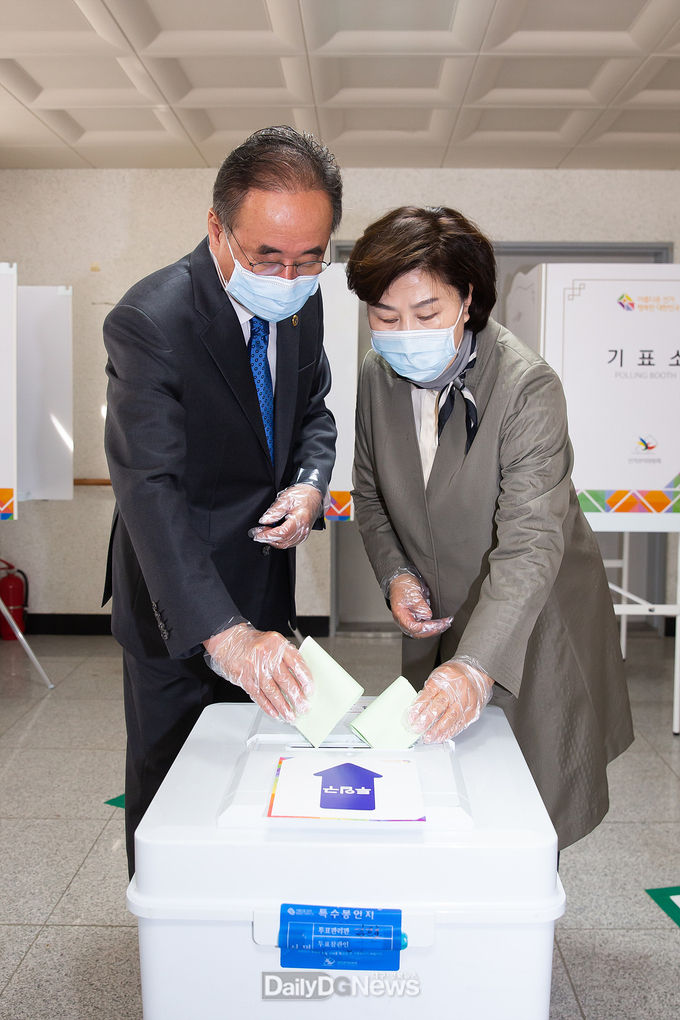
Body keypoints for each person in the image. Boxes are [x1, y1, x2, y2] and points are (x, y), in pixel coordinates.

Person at [347, 205, 633, 849]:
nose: (404, 334)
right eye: (385, 317)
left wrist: (476, 666)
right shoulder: (376, 374)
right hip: (438, 614)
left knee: (527, 803)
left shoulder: (528, 387)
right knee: (443, 788)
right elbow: (370, 493)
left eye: (426, 314)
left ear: (468, 298)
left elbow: (531, 543)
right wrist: (395, 573)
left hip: (530, 618)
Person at [103, 126, 341, 874]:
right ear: (217, 227)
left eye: (309, 259)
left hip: (264, 585)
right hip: (177, 602)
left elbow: (314, 411)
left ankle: (243, 912)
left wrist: (309, 484)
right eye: (266, 257)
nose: (288, 276)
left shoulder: (302, 304)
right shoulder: (151, 320)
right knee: (173, 786)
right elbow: (150, 489)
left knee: (255, 773)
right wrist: (224, 635)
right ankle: (170, 925)